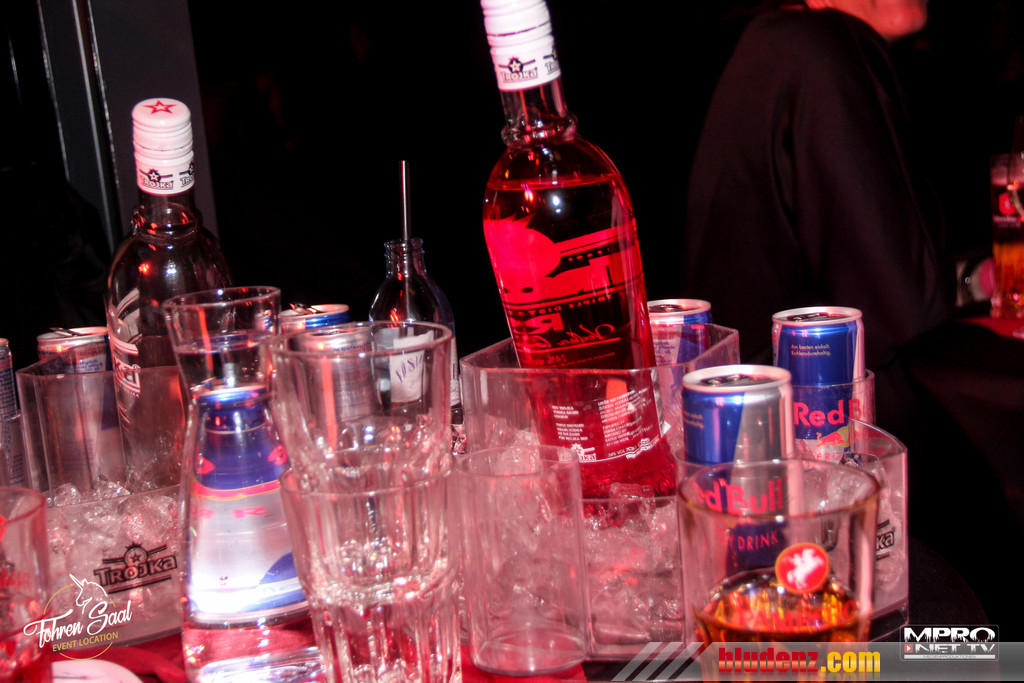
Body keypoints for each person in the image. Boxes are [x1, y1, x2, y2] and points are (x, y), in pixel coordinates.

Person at [682, 0, 954, 372]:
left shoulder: (777, 43)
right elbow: (906, 318)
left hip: (762, 390)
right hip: (811, 398)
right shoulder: (820, 49)